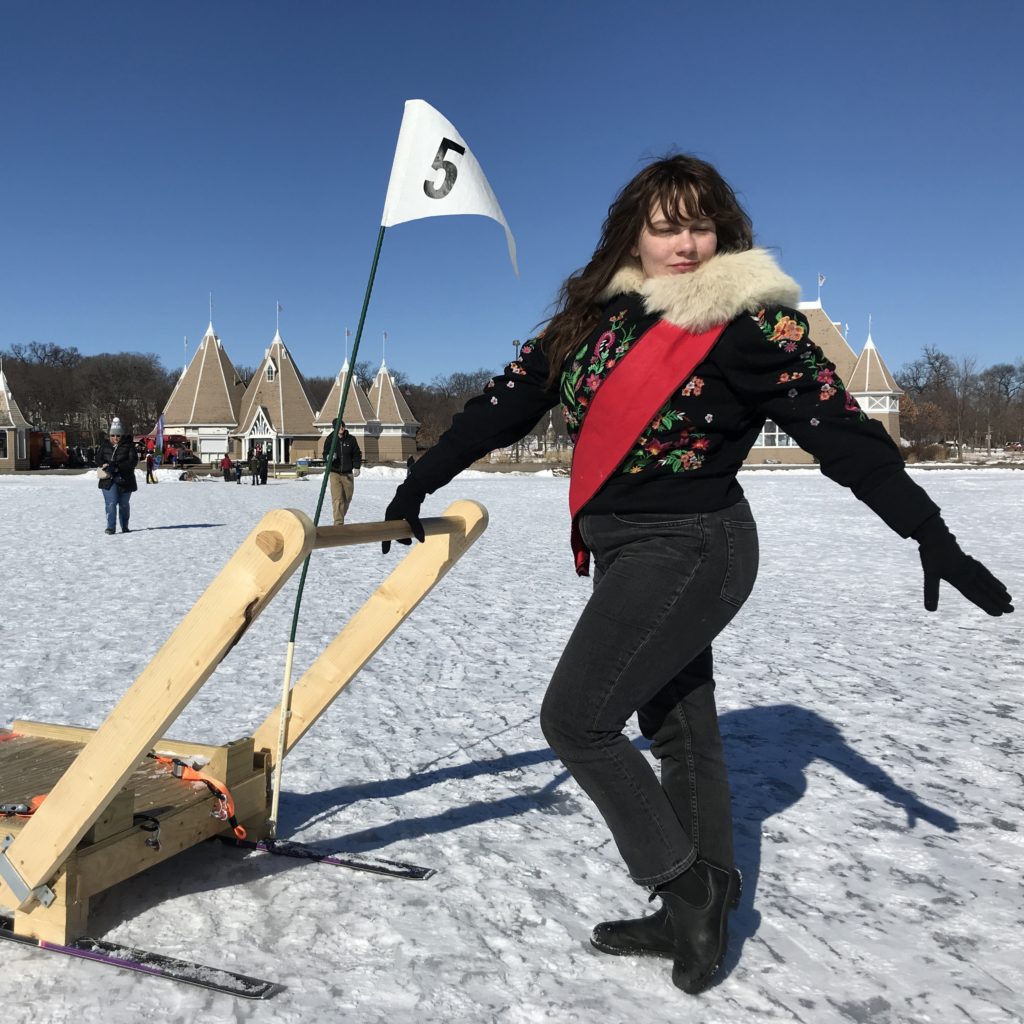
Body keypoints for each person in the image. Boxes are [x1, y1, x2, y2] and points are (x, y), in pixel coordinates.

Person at [381, 154, 1014, 995]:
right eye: (666, 225)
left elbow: (839, 429)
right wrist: (426, 472)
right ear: (632, 235)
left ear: (724, 233)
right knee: (679, 727)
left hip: (694, 545)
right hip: (623, 549)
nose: (685, 243)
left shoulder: (747, 322)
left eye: (700, 224)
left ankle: (690, 887)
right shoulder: (589, 321)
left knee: (577, 721)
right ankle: (694, 919)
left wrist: (927, 530)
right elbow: (506, 401)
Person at [96, 417, 139, 535]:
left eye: (118, 435)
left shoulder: (129, 446)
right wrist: (103, 464)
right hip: (108, 480)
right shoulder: (104, 446)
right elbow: (98, 458)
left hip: (125, 479)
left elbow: (133, 461)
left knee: (124, 504)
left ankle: (125, 526)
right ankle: (110, 527)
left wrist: (117, 466)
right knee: (111, 503)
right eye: (113, 435)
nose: (115, 438)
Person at [323, 419, 362, 525]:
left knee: (347, 498)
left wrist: (357, 467)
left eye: (343, 425)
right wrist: (328, 457)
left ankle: (339, 516)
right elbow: (325, 453)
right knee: (338, 499)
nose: (341, 428)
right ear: (334, 428)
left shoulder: (351, 439)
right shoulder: (330, 439)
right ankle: (338, 524)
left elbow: (357, 454)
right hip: (335, 473)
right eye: (339, 426)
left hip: (347, 474)